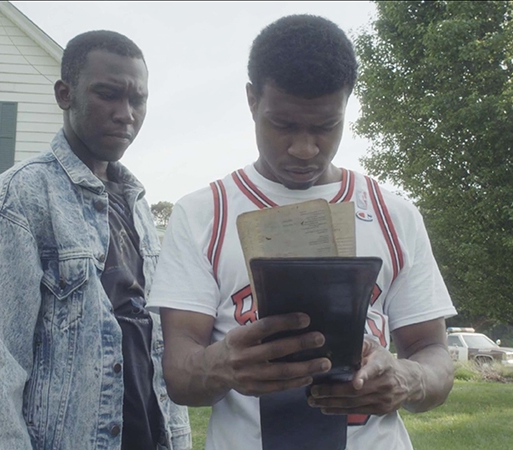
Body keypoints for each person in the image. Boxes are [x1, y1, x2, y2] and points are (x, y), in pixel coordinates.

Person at [146, 14, 456, 450]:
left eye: (326, 127)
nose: (304, 148)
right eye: (284, 125)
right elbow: (179, 374)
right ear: (252, 101)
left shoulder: (393, 212)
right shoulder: (203, 214)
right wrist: (222, 366)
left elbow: (435, 355)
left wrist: (408, 378)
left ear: (347, 105)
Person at [0, 30, 191, 450]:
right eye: (108, 94)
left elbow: (152, 340)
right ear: (65, 94)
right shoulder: (18, 201)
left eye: (137, 100)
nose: (126, 114)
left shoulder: (136, 202)